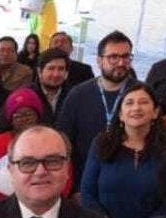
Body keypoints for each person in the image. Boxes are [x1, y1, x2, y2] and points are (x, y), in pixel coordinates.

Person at [81, 83, 166, 218]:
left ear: (156, 112)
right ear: (120, 114)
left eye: (143, 102)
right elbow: (88, 194)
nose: (136, 108)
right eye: (129, 103)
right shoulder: (102, 144)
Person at [55, 31, 137, 175]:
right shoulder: (78, 94)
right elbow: (63, 140)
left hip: (128, 179)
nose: (121, 63)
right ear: (99, 61)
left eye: (126, 57)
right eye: (113, 57)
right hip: (83, 177)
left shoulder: (142, 95)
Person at [33, 48, 72, 125]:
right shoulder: (26, 95)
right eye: (51, 68)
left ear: (66, 73)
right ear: (39, 71)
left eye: (61, 69)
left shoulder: (74, 95)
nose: (56, 74)